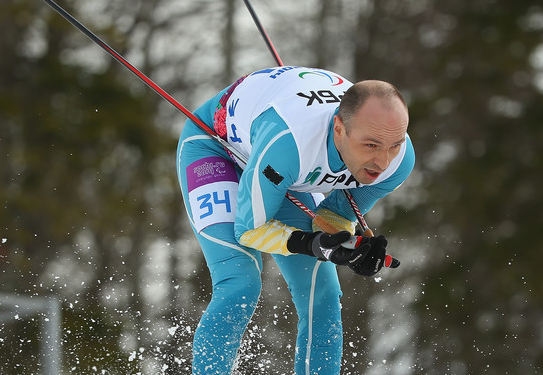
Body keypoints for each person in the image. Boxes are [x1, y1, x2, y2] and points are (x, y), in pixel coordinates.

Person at [176, 65, 415, 374]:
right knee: (240, 284)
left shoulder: (398, 162)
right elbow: (249, 231)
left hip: (281, 175)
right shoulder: (291, 145)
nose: (382, 161)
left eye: (393, 145)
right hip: (215, 149)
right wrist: (310, 243)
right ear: (339, 129)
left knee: (323, 294)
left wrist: (347, 246)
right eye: (371, 145)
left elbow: (334, 216)